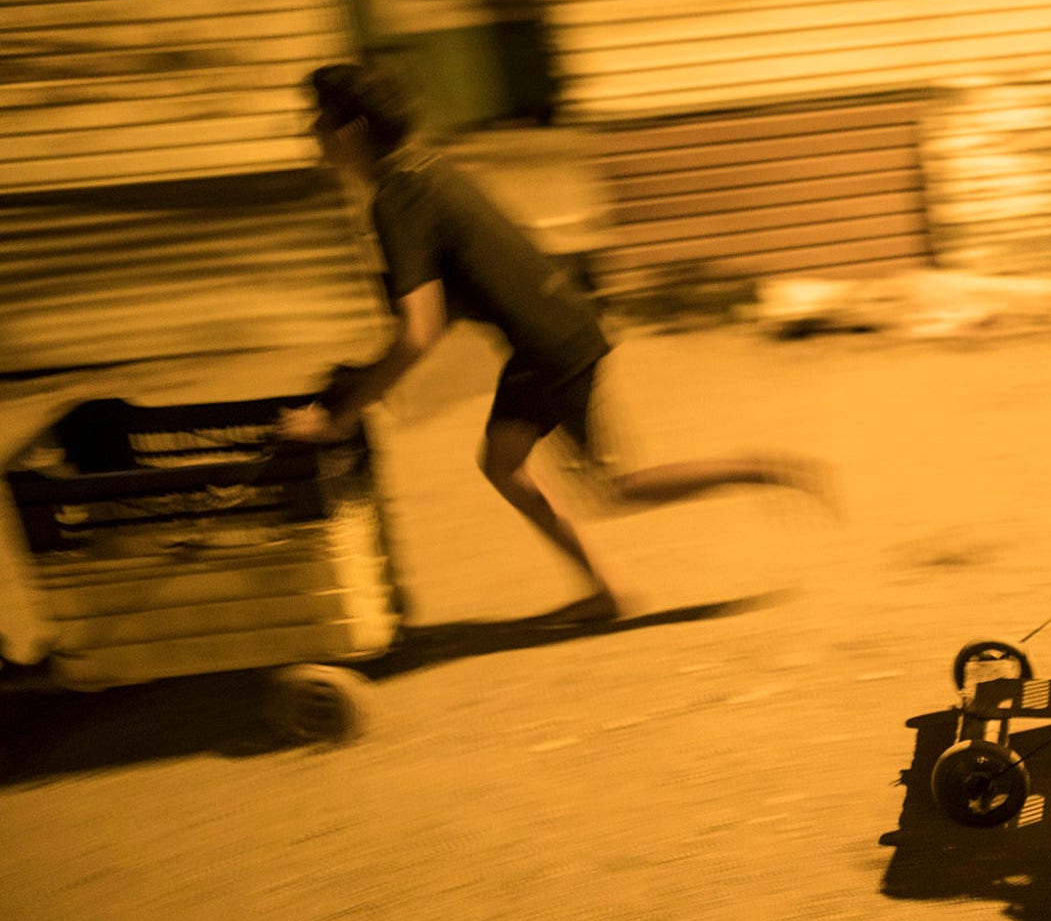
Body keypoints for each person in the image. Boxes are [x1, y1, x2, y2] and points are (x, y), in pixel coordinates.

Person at [279, 62, 834, 625]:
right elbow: (448, 303)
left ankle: (754, 471)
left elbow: (418, 331)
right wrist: (370, 375)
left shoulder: (395, 200)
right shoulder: (428, 170)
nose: (311, 132)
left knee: (615, 487)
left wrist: (339, 417)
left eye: (318, 120)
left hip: (550, 344)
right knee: (504, 465)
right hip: (556, 328)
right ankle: (606, 589)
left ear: (350, 132)